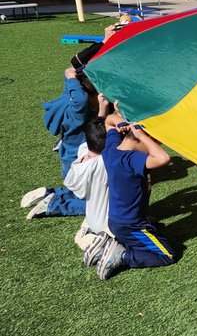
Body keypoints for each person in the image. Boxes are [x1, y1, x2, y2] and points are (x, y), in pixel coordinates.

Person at [92, 103, 176, 280]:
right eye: (155, 143)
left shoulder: (111, 149)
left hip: (119, 220)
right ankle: (122, 256)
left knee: (155, 231)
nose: (156, 146)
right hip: (131, 225)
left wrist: (120, 119)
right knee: (167, 255)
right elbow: (162, 158)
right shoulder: (131, 160)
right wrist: (143, 136)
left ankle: (107, 245)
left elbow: (107, 121)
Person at [22, 67, 93, 219]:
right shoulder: (79, 112)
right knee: (99, 204)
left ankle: (49, 193)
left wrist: (70, 77)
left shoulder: (68, 99)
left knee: (80, 192)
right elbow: (81, 100)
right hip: (79, 166)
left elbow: (75, 91)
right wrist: (72, 79)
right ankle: (53, 205)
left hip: (70, 162)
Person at [63, 99, 113, 258]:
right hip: (110, 225)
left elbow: (96, 134)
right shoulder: (105, 163)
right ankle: (105, 245)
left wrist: (102, 110)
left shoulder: (84, 151)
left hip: (93, 220)